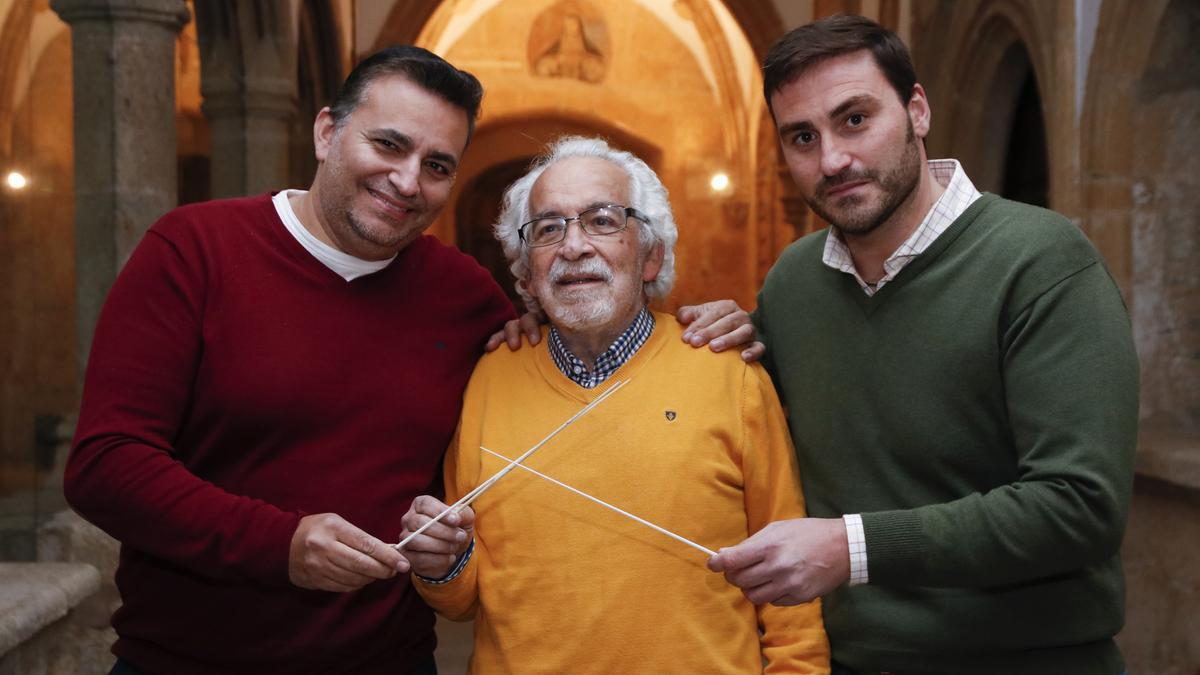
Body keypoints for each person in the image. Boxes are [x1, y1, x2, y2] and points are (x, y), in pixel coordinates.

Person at [66, 47, 754, 675]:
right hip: (190, 659)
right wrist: (282, 543)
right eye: (388, 144)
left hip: (388, 659)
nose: (406, 180)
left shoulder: (464, 297)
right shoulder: (195, 249)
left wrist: (700, 322)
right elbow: (106, 464)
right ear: (327, 132)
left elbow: (583, 328)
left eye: (438, 165)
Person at [707, 15, 1139, 675]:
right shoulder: (793, 284)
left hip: (1030, 660)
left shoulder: (1040, 260)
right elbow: (747, 429)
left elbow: (1079, 506)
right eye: (802, 136)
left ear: (917, 110)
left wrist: (851, 548)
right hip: (844, 661)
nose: (832, 160)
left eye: (855, 119)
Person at [399, 136, 830, 674]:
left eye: (602, 220)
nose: (573, 246)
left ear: (651, 256)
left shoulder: (729, 373)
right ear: (527, 275)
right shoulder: (490, 377)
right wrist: (440, 562)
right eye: (548, 229)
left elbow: (793, 589)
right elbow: (462, 601)